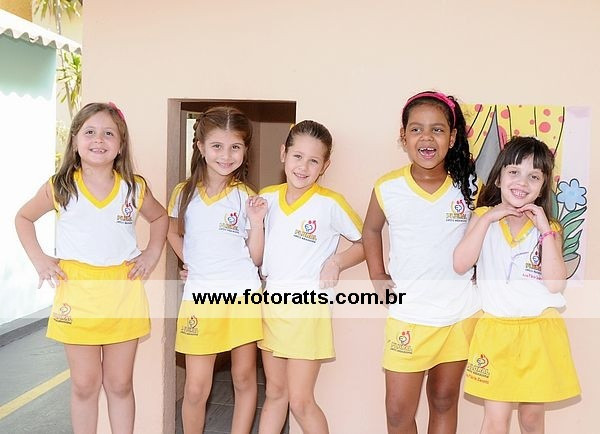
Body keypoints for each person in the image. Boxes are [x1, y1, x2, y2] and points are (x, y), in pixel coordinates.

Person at [15, 102, 168, 433]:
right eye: (90, 132)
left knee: (120, 384)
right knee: (84, 385)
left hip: (122, 294)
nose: (99, 139)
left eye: (109, 133)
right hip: (77, 295)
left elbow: (160, 218)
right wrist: (40, 260)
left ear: (121, 145)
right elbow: (23, 218)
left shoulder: (134, 187)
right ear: (74, 140)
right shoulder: (60, 186)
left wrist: (152, 253)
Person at [362, 91, 480, 434]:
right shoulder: (388, 186)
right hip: (409, 314)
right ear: (403, 136)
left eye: (437, 129)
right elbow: (371, 230)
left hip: (459, 313)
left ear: (452, 137)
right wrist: (377, 274)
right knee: (398, 412)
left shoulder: (469, 185)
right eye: (416, 129)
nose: (427, 138)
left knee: (444, 400)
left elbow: (485, 232)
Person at [453, 136, 580, 434]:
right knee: (495, 420)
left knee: (532, 418)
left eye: (534, 176)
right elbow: (460, 264)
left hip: (539, 333)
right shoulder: (482, 217)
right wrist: (488, 219)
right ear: (498, 178)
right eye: (514, 172)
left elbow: (555, 283)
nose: (522, 182)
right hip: (495, 332)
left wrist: (545, 230)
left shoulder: (550, 228)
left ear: (542, 186)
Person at [258, 120, 364, 434]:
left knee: (301, 402)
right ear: (283, 154)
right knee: (274, 393)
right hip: (270, 304)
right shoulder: (266, 199)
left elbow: (366, 243)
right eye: (297, 156)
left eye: (313, 161)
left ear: (324, 166)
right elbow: (253, 247)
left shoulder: (330, 203)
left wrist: (337, 262)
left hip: (308, 310)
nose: (303, 167)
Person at [167, 106, 267, 434]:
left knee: (244, 378)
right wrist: (190, 261)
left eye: (235, 147)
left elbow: (255, 258)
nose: (226, 155)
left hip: (242, 296)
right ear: (200, 146)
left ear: (245, 150)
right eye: (217, 146)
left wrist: (256, 223)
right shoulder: (183, 193)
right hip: (199, 299)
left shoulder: (246, 197)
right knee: (196, 387)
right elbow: (170, 230)